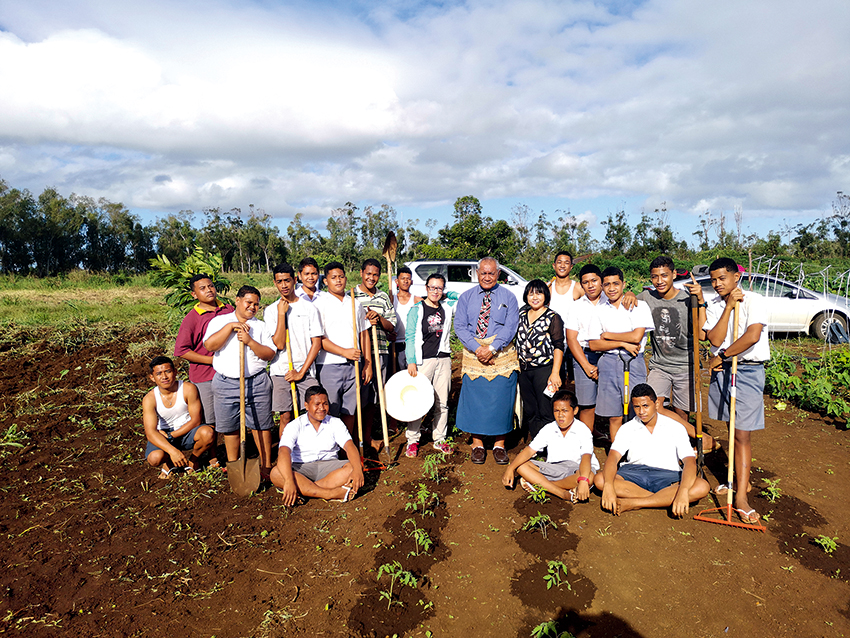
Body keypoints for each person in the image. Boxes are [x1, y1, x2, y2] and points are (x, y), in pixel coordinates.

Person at [703, 257, 769, 524]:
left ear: (736, 277)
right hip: (724, 371)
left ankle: (741, 496)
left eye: (722, 278)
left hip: (747, 370)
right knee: (730, 428)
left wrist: (725, 354)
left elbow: (753, 336)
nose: (717, 283)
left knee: (742, 434)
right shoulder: (716, 304)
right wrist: (728, 307)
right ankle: (733, 480)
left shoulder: (754, 301)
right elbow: (715, 338)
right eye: (714, 279)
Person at [638, 256, 718, 452]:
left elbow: (701, 334)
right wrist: (630, 294)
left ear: (674, 275)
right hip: (660, 365)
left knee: (682, 413)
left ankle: (679, 447)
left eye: (664, 275)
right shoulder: (646, 298)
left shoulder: (686, 298)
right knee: (653, 404)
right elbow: (624, 298)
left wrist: (700, 300)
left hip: (686, 365)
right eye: (654, 277)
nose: (659, 281)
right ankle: (698, 436)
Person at [594, 384, 710, 516]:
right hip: (634, 473)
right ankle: (662, 499)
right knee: (600, 480)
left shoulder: (675, 427)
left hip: (668, 475)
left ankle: (635, 503)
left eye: (645, 406)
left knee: (702, 486)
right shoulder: (627, 428)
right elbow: (613, 457)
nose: (641, 412)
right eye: (637, 407)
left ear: (656, 404)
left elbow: (689, 461)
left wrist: (683, 490)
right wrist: (609, 485)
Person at [203, 285, 276, 479]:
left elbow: (269, 354)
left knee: (261, 425)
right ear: (237, 300)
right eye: (249, 302)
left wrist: (250, 341)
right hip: (226, 382)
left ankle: (266, 465)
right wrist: (230, 328)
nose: (252, 307)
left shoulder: (260, 326)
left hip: (257, 382)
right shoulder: (220, 321)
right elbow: (210, 345)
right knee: (230, 427)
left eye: (256, 304)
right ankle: (234, 466)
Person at [454, 257, 519, 465]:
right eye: (484, 273)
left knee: (501, 398)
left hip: (500, 354)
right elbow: (460, 327)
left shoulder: (509, 297)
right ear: (477, 273)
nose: (487, 277)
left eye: (492, 273)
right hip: (474, 354)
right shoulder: (466, 297)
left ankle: (500, 444)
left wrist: (491, 349)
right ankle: (478, 444)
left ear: (498, 274)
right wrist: (478, 349)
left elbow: (511, 327)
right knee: (475, 399)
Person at [588, 266, 655, 442]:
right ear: (602, 287)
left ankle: (639, 451)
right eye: (607, 284)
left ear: (624, 284)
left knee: (639, 409)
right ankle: (617, 454)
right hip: (609, 361)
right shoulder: (599, 310)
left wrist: (608, 335)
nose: (611, 288)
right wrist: (621, 343)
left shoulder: (638, 306)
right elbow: (594, 344)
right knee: (614, 415)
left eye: (616, 284)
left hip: (633, 360)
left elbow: (636, 336)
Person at [173, 273, 234, 466]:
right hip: (205, 375)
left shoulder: (229, 310)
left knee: (232, 413)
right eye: (202, 288)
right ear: (194, 294)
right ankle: (213, 456)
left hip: (229, 372)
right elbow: (181, 350)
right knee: (210, 419)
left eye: (210, 286)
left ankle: (234, 455)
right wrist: (211, 361)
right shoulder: (192, 318)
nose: (209, 290)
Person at [271, 385, 365, 504]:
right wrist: (289, 480)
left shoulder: (335, 423)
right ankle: (329, 493)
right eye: (317, 404)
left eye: (325, 404)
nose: (322, 408)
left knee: (353, 467)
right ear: (306, 406)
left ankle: (305, 491)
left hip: (329, 467)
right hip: (301, 468)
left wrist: (357, 470)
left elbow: (349, 446)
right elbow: (284, 452)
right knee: (276, 473)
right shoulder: (294, 425)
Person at [313, 261, 373, 443]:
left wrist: (367, 363)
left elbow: (364, 335)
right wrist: (344, 352)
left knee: (350, 410)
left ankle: (348, 450)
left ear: (346, 279)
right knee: (329, 410)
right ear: (325, 281)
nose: (338, 281)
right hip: (329, 365)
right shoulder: (319, 303)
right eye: (333, 277)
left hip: (354, 365)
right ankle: (329, 450)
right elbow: (319, 339)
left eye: (341, 277)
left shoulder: (355, 303)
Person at [502, 390, 598, 502]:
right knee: (521, 466)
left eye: (565, 411)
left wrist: (583, 480)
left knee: (590, 477)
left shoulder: (582, 429)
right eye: (556, 411)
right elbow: (529, 451)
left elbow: (586, 457)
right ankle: (563, 493)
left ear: (575, 410)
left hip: (578, 469)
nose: (560, 415)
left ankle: (545, 486)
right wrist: (510, 468)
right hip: (554, 468)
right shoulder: (549, 428)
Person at [266, 263, 323, 435]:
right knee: (285, 416)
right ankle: (286, 454)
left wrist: (301, 372)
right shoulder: (271, 311)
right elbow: (279, 344)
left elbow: (317, 343)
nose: (284, 285)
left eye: (287, 280)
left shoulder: (309, 308)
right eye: (279, 281)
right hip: (280, 371)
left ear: (294, 280)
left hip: (305, 370)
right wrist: (281, 314)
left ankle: (313, 450)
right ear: (275, 283)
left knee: (314, 411)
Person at [404, 273, 457, 457]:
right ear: (426, 288)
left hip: (443, 358)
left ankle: (439, 438)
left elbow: (460, 297)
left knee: (442, 402)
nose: (435, 291)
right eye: (432, 287)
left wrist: (448, 294)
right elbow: (410, 336)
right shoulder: (417, 310)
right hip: (422, 361)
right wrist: (411, 360)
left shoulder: (446, 307)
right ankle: (412, 439)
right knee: (418, 400)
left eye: (439, 288)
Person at [142, 355, 215, 478]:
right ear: (152, 377)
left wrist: (172, 436)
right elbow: (150, 432)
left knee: (207, 433)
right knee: (154, 458)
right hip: (163, 434)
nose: (164, 377)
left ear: (175, 372)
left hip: (187, 430)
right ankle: (170, 463)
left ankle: (193, 461)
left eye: (168, 372)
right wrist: (172, 451)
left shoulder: (188, 388)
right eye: (159, 374)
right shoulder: (149, 399)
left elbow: (196, 420)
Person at [353, 258, 397, 450]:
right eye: (368, 274)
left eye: (376, 274)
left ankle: (369, 437)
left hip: (380, 351)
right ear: (361, 273)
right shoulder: (351, 296)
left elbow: (391, 325)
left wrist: (379, 318)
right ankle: (356, 439)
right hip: (358, 355)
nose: (372, 278)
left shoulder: (383, 297)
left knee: (373, 399)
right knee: (357, 398)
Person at [515, 279, 564, 440]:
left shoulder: (553, 317)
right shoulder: (521, 314)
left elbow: (558, 346)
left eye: (539, 293)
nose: (534, 297)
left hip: (544, 370)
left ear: (546, 296)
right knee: (530, 409)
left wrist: (555, 372)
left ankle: (551, 445)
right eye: (531, 293)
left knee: (546, 408)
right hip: (524, 370)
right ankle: (537, 443)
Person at [565, 265, 606, 432]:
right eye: (585, 282)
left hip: (609, 355)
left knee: (614, 401)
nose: (590, 285)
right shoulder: (576, 306)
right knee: (587, 404)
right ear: (581, 285)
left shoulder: (611, 301)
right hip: (583, 355)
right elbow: (571, 339)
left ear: (602, 281)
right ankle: (586, 444)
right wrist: (586, 366)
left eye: (594, 280)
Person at [392, 266, 422, 372]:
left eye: (408, 279)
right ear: (397, 281)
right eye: (402, 278)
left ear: (412, 281)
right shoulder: (391, 299)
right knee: (397, 375)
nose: (405, 281)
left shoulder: (417, 300)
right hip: (396, 343)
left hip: (413, 343)